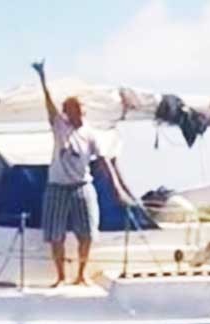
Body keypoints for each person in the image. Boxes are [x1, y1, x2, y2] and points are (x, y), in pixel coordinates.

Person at [32, 59, 128, 287]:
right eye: (71, 109)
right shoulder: (60, 127)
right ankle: (61, 276)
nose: (76, 113)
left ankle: (81, 274)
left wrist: (116, 188)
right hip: (57, 185)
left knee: (87, 232)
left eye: (79, 109)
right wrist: (42, 79)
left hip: (81, 185)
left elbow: (103, 161)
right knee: (55, 234)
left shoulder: (91, 134)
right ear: (66, 112)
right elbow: (49, 106)